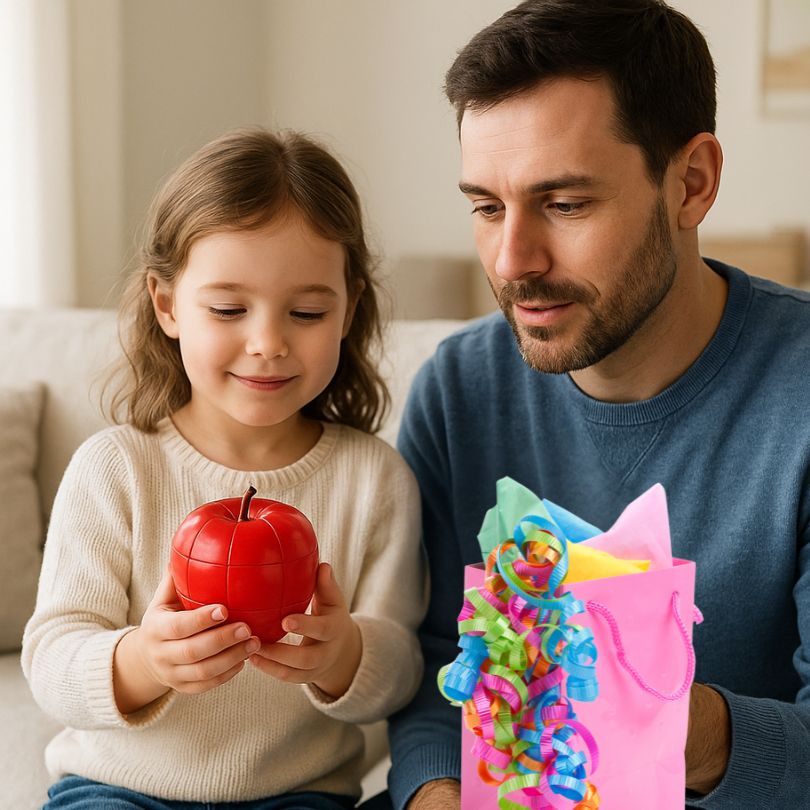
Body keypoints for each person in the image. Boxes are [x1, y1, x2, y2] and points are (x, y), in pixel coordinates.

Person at [386, 1, 810, 809]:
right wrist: (438, 795)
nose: (513, 260)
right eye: (485, 206)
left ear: (692, 184)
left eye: (566, 204)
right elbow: (429, 676)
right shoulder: (458, 391)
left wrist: (669, 724)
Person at [22, 127, 425, 809]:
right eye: (229, 309)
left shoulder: (374, 480)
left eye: (306, 311)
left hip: (301, 794)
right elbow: (53, 657)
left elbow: (403, 667)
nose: (267, 343)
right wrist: (144, 662)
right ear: (167, 304)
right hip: (121, 790)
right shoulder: (116, 468)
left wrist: (343, 656)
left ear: (349, 307)